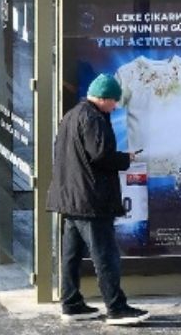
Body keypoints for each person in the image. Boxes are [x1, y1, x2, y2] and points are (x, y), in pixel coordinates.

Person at [47, 74, 149, 326]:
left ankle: (71, 303)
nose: (115, 106)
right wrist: (126, 158)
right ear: (103, 99)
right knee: (105, 255)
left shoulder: (71, 115)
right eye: (113, 101)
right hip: (90, 200)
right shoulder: (93, 118)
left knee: (71, 255)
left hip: (70, 198)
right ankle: (116, 307)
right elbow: (101, 156)